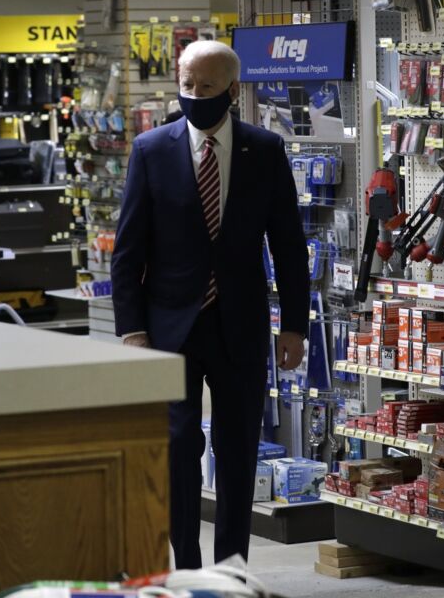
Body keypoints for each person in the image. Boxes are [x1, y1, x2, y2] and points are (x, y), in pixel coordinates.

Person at [112, 40, 309, 568]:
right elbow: (127, 252)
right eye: (187, 85)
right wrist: (132, 330)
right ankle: (188, 565)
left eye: (206, 86)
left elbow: (288, 246)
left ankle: (232, 568)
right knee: (178, 446)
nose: (195, 95)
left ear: (231, 90)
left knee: (239, 448)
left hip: (240, 323)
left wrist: (295, 326)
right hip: (168, 328)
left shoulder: (264, 150)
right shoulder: (151, 150)